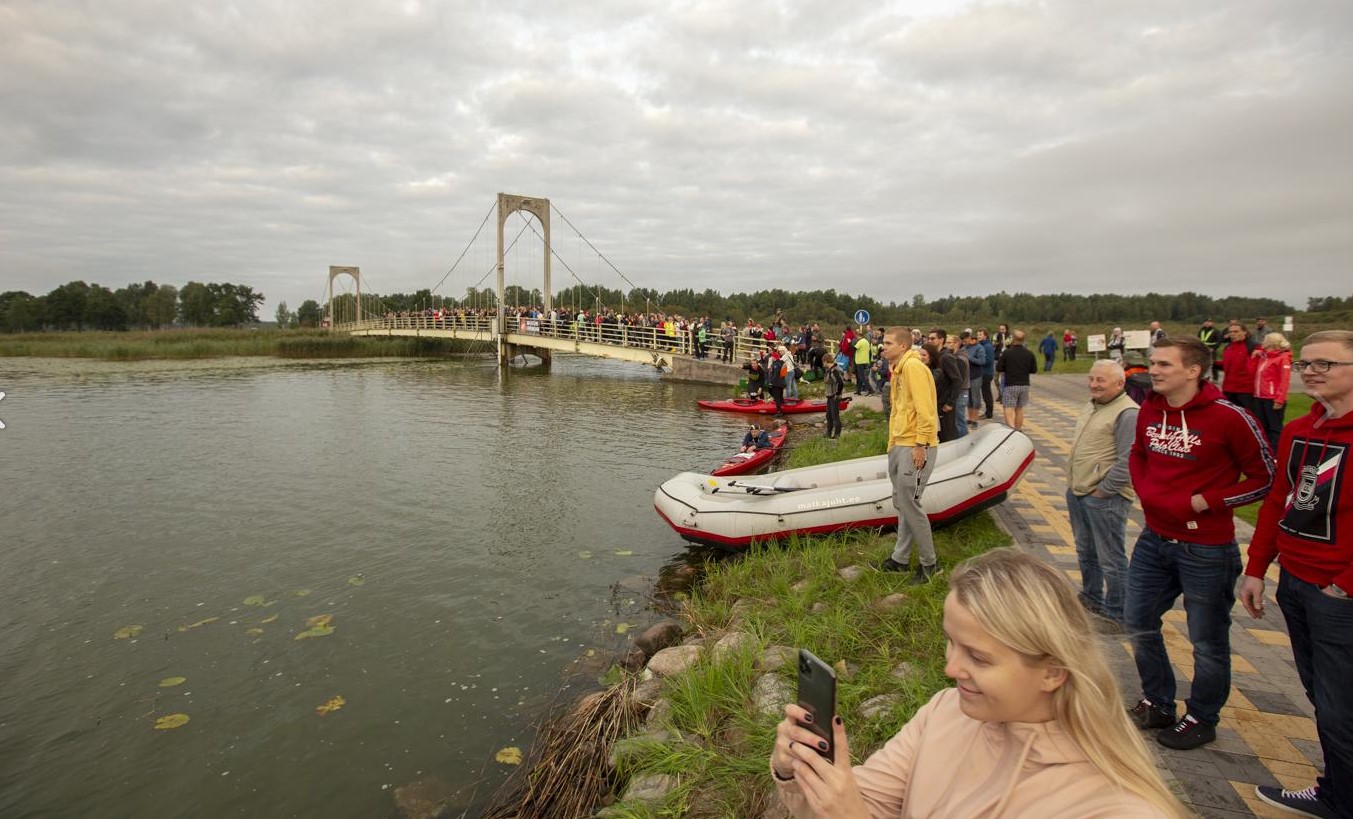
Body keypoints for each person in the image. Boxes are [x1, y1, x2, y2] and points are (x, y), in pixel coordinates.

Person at [771, 548, 1188, 818]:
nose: (951, 669)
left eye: (979, 657)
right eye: (951, 643)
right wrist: (797, 772)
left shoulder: (1114, 808)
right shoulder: (946, 711)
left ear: (1053, 671)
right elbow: (862, 803)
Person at [1124, 336, 1274, 751]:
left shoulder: (1230, 418)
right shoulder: (1150, 409)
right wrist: (1146, 490)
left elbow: (1267, 478)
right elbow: (1138, 453)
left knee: (1206, 639)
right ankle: (1157, 700)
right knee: (1137, 621)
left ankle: (1202, 716)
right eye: (1153, 363)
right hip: (1154, 538)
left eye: (1164, 365)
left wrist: (1207, 501)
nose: (1153, 371)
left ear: (1193, 370)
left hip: (1206, 547)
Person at [1239, 330, 1353, 818]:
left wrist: (1343, 585)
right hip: (1298, 583)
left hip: (1338, 595)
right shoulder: (1299, 429)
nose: (1310, 372)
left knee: (1339, 707)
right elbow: (1277, 501)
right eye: (1306, 364)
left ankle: (1340, 801)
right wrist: (1257, 568)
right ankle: (1335, 789)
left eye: (1325, 364)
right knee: (1321, 698)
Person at [1067, 361, 1139, 628]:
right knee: (1086, 550)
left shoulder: (1127, 413)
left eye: (1101, 381)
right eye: (1092, 378)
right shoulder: (1094, 405)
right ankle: (1091, 597)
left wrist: (1103, 492)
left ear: (1119, 384)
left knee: (1111, 558)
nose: (1094, 384)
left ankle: (1118, 612)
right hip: (1079, 490)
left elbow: (1129, 460)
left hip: (1104, 497)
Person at [876, 327, 940, 583]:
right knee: (902, 503)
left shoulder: (913, 368)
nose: (883, 347)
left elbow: (925, 410)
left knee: (911, 505)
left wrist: (921, 445)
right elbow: (900, 409)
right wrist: (893, 443)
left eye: (888, 343)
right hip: (900, 442)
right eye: (883, 343)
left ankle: (930, 564)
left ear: (903, 346)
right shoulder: (899, 369)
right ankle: (900, 559)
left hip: (914, 445)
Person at [1251, 331, 1293, 456]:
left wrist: (1279, 399)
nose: (1262, 342)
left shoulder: (1282, 359)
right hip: (1260, 396)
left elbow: (1284, 380)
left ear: (1271, 343)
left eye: (1265, 340)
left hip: (1272, 398)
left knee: (1274, 427)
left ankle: (1275, 452)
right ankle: (1264, 448)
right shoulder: (1265, 357)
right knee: (1262, 425)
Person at [997, 330, 1038, 431]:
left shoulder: (1007, 353)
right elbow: (1033, 370)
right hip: (1024, 384)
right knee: (1019, 408)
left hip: (1010, 384)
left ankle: (1011, 429)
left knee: (1008, 407)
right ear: (1023, 340)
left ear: (1013, 339)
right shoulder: (1029, 354)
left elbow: (999, 368)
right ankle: (1018, 429)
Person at [928, 329, 963, 442]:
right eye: (928, 338)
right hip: (937, 401)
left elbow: (957, 380)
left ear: (941, 340)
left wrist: (950, 402)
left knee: (947, 435)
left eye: (933, 338)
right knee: (939, 434)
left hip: (945, 403)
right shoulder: (936, 356)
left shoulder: (946, 357)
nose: (930, 341)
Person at [1220, 322, 1258, 413]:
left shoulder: (1252, 346)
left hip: (1245, 390)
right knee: (1229, 415)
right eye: (1230, 332)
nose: (1232, 334)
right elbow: (1225, 365)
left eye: (1236, 331)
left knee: (1249, 415)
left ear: (1244, 332)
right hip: (1228, 388)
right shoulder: (1228, 347)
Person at [947, 334, 971, 438]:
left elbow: (959, 380)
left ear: (956, 343)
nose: (946, 345)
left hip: (961, 392)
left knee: (959, 420)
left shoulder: (960, 358)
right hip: (960, 392)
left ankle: (964, 439)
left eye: (949, 343)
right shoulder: (956, 356)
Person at [962, 330, 986, 428]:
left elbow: (982, 361)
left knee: (976, 398)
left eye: (965, 341)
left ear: (969, 338)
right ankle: (970, 418)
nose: (964, 343)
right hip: (967, 376)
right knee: (968, 399)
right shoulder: (964, 348)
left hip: (976, 376)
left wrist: (969, 357)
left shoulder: (979, 348)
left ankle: (975, 420)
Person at [822, 355, 845, 439]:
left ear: (825, 361)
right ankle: (828, 432)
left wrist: (837, 394)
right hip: (829, 396)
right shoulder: (829, 370)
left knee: (835, 416)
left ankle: (837, 435)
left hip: (834, 396)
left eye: (823, 362)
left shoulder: (834, 371)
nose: (823, 364)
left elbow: (840, 383)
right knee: (829, 415)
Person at [978, 329, 997, 419]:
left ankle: (989, 412)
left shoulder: (987, 346)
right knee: (985, 393)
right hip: (983, 372)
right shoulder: (982, 345)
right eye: (978, 334)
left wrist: (977, 361)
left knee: (986, 393)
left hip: (986, 373)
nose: (978, 336)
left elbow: (988, 360)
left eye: (980, 335)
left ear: (985, 336)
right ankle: (988, 412)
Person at [854, 332, 874, 396]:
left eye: (857, 337)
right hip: (865, 360)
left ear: (859, 336)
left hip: (860, 361)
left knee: (861, 377)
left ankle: (870, 390)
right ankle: (858, 390)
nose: (856, 338)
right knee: (861, 377)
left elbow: (854, 348)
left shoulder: (860, 341)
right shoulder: (866, 342)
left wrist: (849, 343)